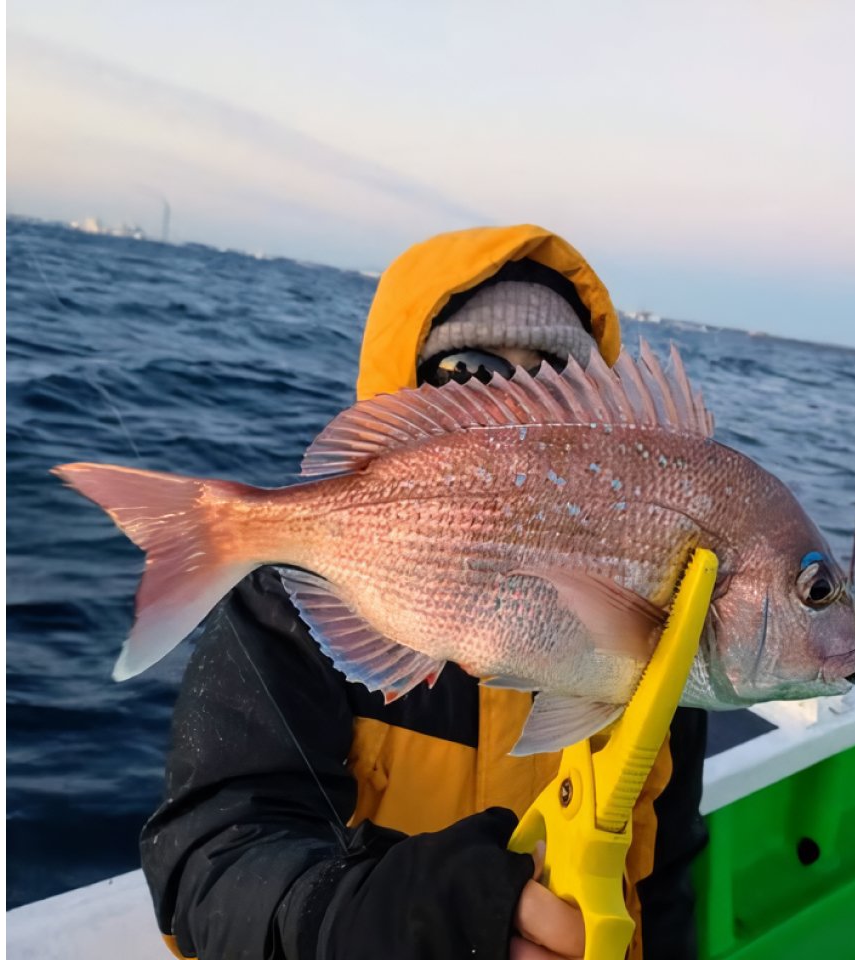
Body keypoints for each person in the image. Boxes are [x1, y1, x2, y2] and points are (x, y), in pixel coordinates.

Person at [139, 225, 709, 960]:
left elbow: (665, 883)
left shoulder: (672, 630)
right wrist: (380, 920)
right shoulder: (290, 608)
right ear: (398, 400)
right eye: (469, 372)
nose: (518, 407)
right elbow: (207, 861)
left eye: (557, 381)